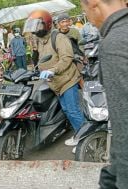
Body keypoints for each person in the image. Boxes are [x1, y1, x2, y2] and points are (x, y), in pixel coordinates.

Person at [80, 0, 128, 188]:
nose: (90, 21)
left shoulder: (114, 44)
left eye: (85, 11)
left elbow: (125, 124)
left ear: (94, 4)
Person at [23, 10, 85, 148]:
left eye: (38, 26)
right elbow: (41, 59)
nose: (35, 29)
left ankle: (85, 139)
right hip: (55, 83)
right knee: (67, 110)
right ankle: (80, 134)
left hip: (67, 80)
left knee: (73, 110)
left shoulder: (59, 38)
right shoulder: (40, 41)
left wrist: (52, 70)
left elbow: (67, 58)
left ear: (47, 25)